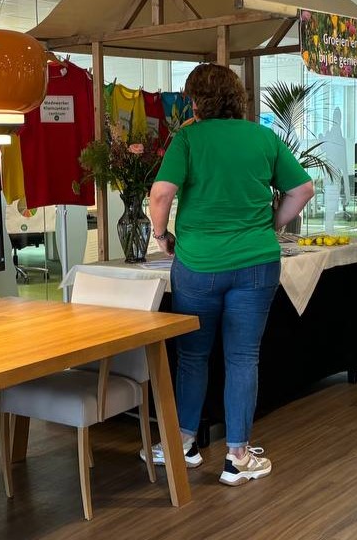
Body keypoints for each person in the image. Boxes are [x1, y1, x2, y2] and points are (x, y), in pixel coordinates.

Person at [148, 63, 314, 487]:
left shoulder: (187, 139)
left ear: (195, 101)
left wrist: (161, 236)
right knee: (242, 358)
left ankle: (182, 443)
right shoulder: (263, 137)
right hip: (256, 264)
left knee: (192, 355)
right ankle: (237, 456)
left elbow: (161, 193)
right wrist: (273, 223)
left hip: (198, 264)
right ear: (237, 97)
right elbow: (302, 189)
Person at [316, 110, 348, 233]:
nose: (337, 121)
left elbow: (344, 165)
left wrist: (348, 190)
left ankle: (329, 231)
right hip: (330, 177)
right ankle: (329, 231)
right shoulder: (330, 137)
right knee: (330, 207)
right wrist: (321, 138)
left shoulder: (340, 139)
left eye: (339, 118)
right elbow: (322, 149)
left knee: (332, 207)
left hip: (335, 177)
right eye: (336, 118)